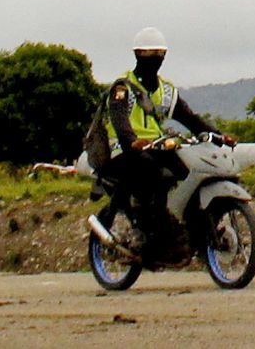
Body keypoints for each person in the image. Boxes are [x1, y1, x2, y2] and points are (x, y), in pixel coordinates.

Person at [100, 27, 233, 242]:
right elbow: (119, 121)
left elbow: (190, 118)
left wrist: (218, 135)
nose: (153, 58)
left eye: (158, 54)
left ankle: (190, 225)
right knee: (153, 171)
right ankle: (148, 228)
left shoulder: (167, 91)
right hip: (122, 149)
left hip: (157, 146)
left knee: (187, 172)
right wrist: (132, 141)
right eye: (147, 54)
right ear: (137, 55)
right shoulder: (122, 87)